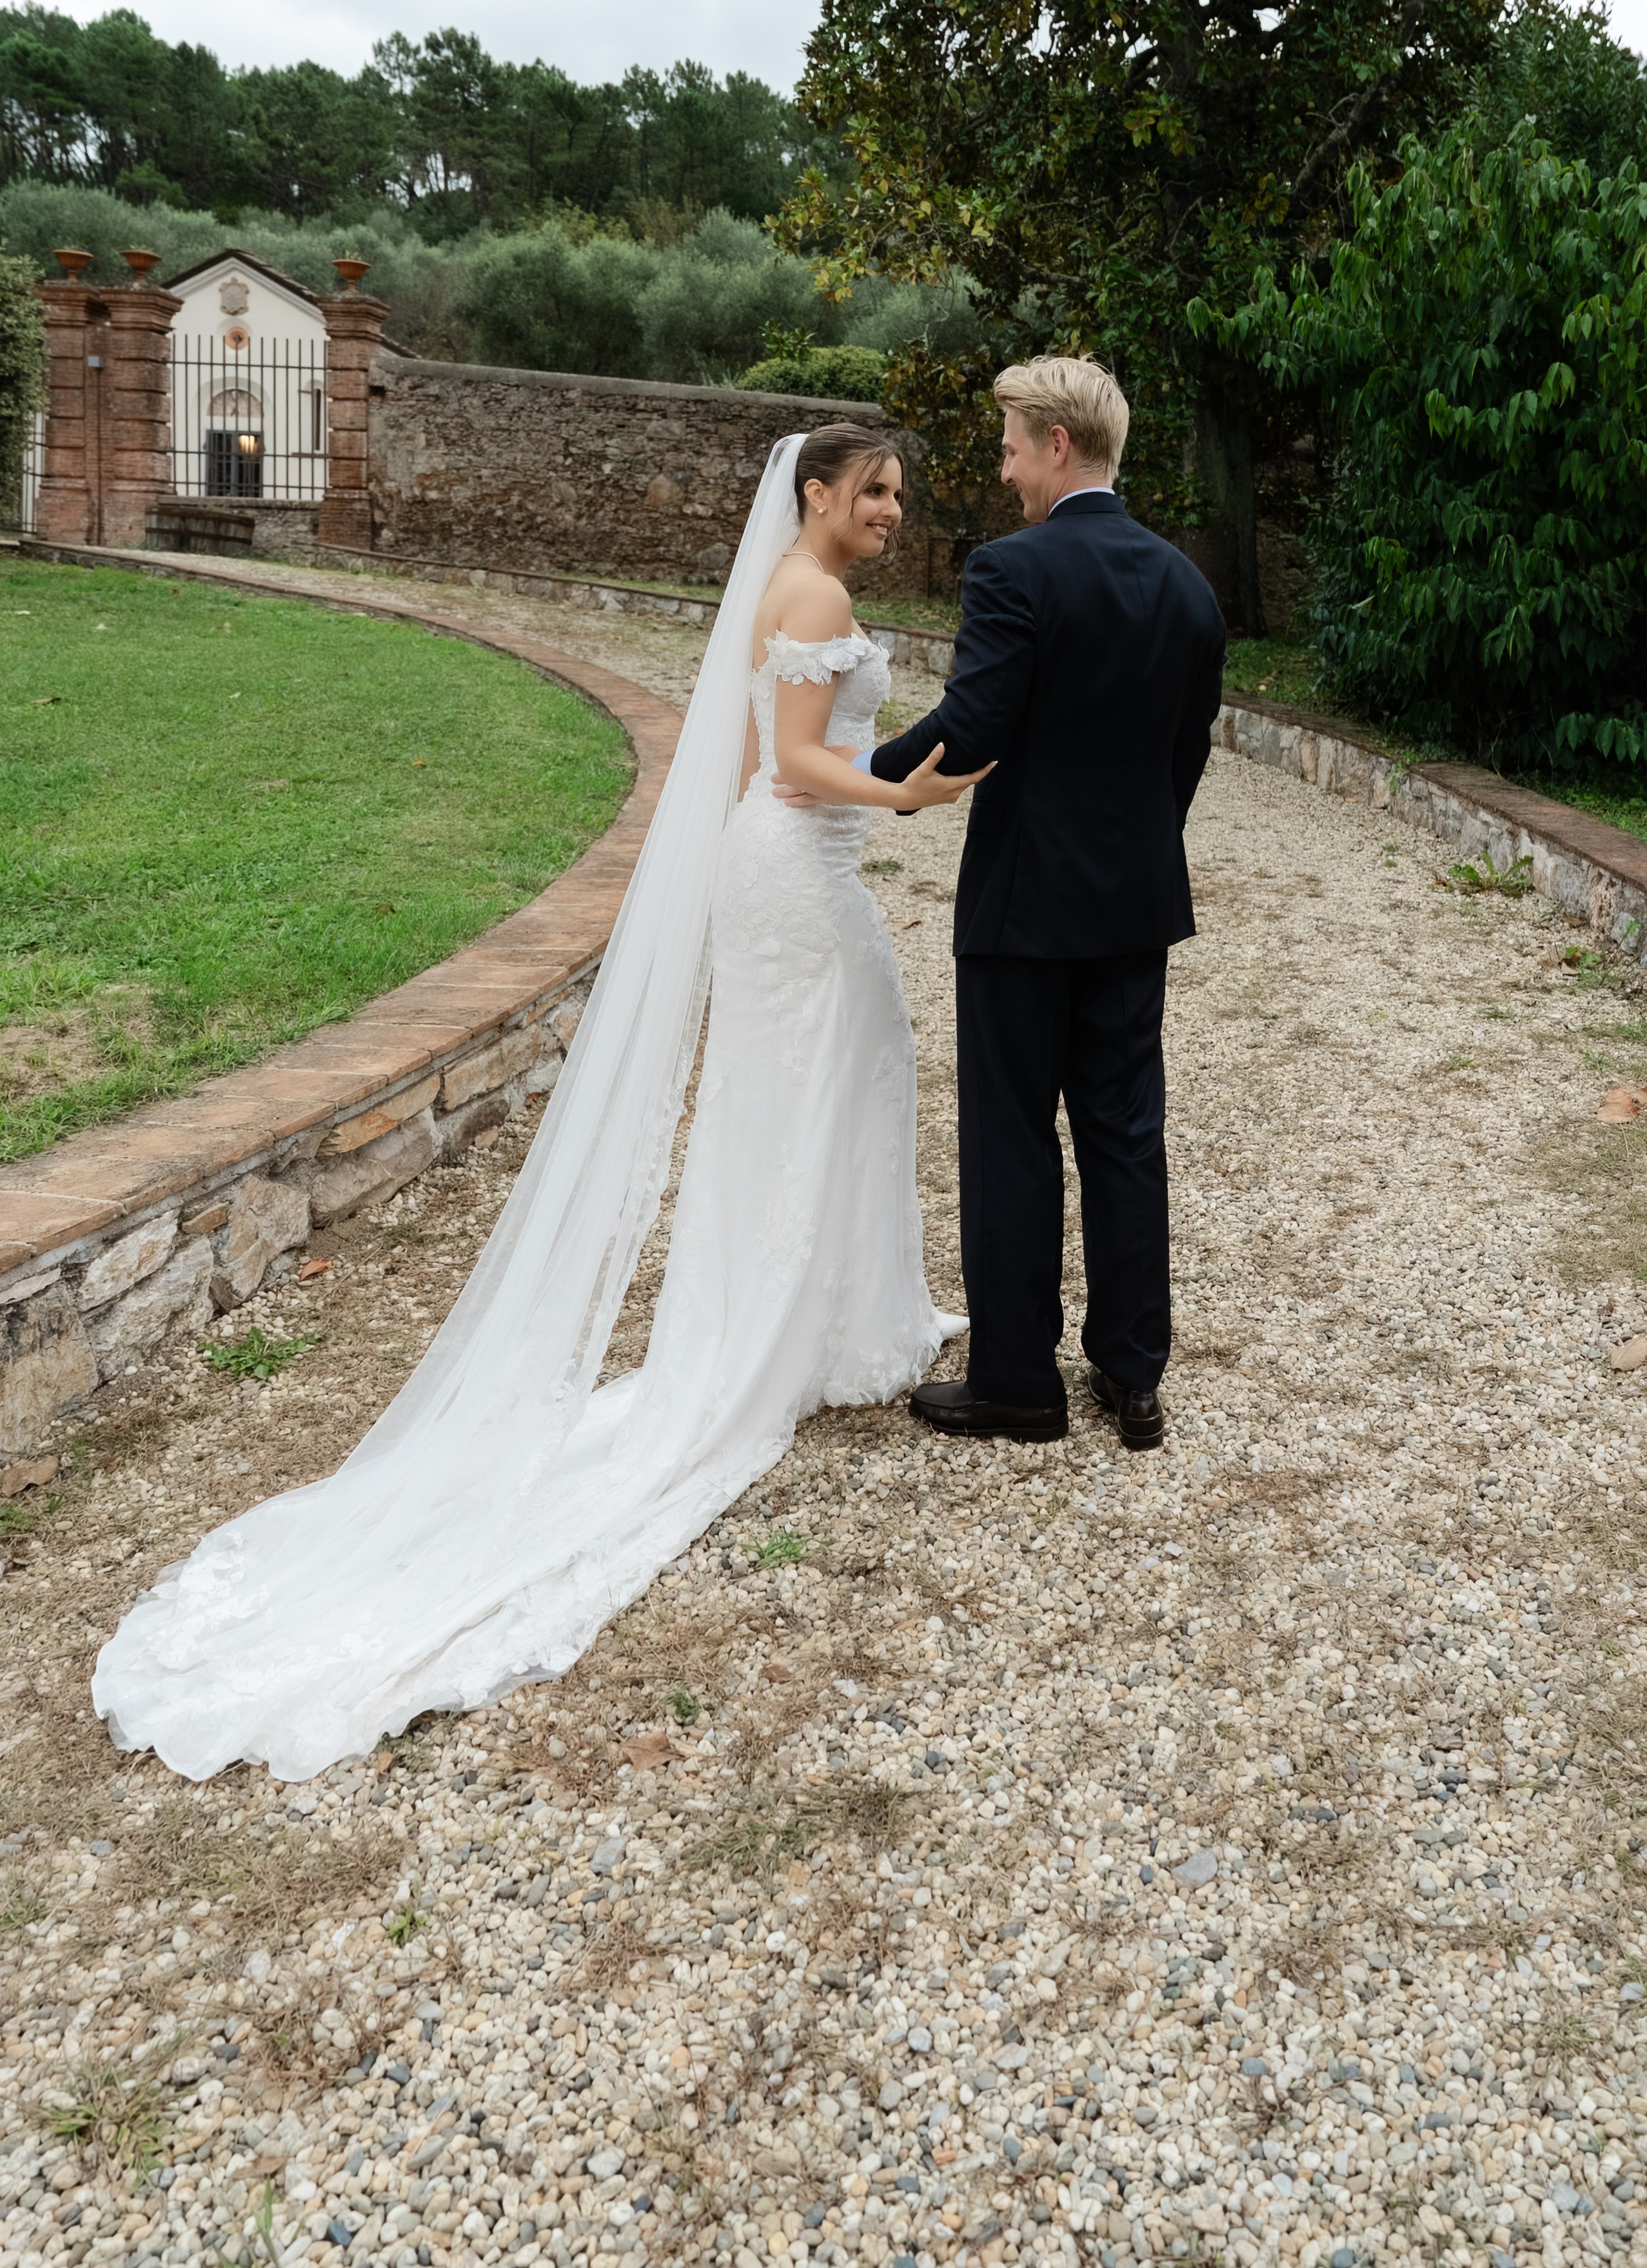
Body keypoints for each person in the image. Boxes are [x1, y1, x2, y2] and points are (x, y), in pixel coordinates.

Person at [92, 426, 986, 1782]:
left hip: (786, 874)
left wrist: (834, 823)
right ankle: (792, 1332)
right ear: (815, 495)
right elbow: (798, 763)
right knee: (832, 1073)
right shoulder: (809, 595)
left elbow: (759, 766)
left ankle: (826, 1314)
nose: (890, 513)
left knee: (816, 1082)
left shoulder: (795, 589)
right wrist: (901, 795)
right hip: (799, 870)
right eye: (873, 491)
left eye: (897, 497)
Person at [858, 357, 1226, 1448]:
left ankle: (1019, 1382)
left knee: (1014, 1137)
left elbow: (972, 732)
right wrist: (1137, 848)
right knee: (1124, 1133)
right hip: (1134, 902)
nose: (1006, 467)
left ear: (1058, 445)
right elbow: (1184, 754)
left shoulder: (1012, 571)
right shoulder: (1189, 586)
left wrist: (862, 775)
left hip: (1023, 910)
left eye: (1013, 445)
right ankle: (1132, 1374)